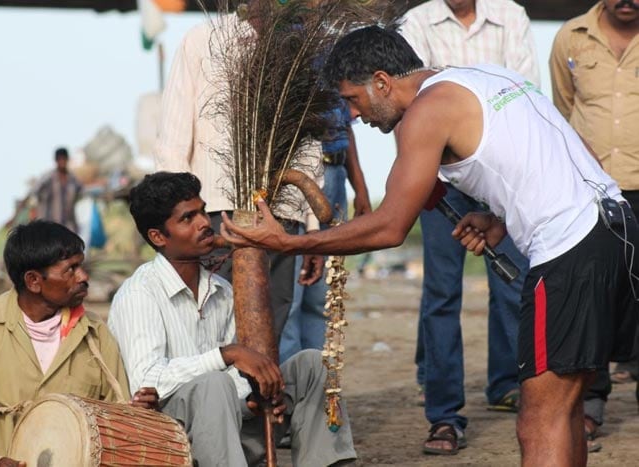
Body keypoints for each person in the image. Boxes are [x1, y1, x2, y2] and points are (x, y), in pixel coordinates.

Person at [221, 26, 639, 466]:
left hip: (569, 254)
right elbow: (578, 151)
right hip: (618, 232)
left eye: (353, 99)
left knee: (538, 419)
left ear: (381, 81)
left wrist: (289, 241)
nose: (355, 115)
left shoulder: (427, 111)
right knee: (566, 406)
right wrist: (502, 218)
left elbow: (389, 227)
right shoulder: (489, 77)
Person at [107, 171, 357, 467]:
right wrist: (227, 355)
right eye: (188, 218)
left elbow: (234, 381)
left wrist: (254, 399)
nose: (203, 222)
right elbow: (147, 380)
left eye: (202, 211)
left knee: (314, 366)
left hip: (229, 432)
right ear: (158, 237)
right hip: (173, 442)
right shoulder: (139, 292)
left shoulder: (222, 290)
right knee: (213, 384)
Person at [398, 0, 538, 453]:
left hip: (499, 173)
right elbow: (411, 100)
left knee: (513, 283)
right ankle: (444, 415)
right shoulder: (416, 22)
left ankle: (507, 385)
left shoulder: (511, 15)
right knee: (441, 291)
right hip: (439, 175)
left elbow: (525, 91)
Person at [154, 2, 325, 343]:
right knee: (210, 329)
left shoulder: (300, 45)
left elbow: (307, 144)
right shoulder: (202, 40)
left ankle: (260, 397)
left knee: (271, 329)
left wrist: (313, 230)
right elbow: (173, 140)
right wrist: (180, 220)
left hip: (282, 216)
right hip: (214, 212)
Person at [0, 220, 156, 467]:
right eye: (71, 269)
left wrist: (136, 412)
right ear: (33, 281)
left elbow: (116, 421)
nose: (84, 277)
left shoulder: (96, 334)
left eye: (82, 266)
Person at [550, 0, 639, 452]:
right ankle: (592, 404)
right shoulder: (570, 36)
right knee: (595, 294)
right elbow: (564, 110)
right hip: (593, 189)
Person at [280, 100, 372, 363]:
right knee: (292, 298)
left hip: (336, 174)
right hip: (296, 178)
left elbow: (347, 128)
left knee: (322, 297)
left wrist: (361, 187)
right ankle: (292, 390)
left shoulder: (338, 61)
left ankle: (317, 389)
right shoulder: (291, 60)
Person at [32, 147, 82, 233]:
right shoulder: (47, 178)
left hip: (67, 226)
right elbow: (35, 193)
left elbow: (82, 192)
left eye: (64, 159)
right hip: (49, 226)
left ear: (67, 159)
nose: (62, 161)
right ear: (56, 160)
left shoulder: (73, 180)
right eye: (60, 159)